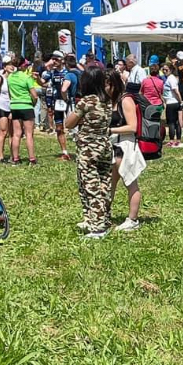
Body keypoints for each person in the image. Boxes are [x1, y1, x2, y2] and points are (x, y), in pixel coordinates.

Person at [65, 65, 114, 238]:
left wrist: (80, 119)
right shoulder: (107, 100)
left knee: (90, 186)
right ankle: (100, 219)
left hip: (89, 148)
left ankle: (98, 227)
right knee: (104, 184)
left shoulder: (86, 101)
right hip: (105, 145)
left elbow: (68, 123)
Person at [105, 69, 143, 232]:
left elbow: (133, 126)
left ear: (113, 84)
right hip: (114, 145)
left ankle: (133, 219)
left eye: (105, 85)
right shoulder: (111, 100)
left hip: (126, 145)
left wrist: (110, 130)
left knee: (130, 183)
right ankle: (103, 215)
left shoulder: (125, 100)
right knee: (109, 183)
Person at [7, 56, 41, 165]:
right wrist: (33, 103)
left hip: (15, 106)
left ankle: (16, 158)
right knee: (29, 134)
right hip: (26, 106)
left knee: (16, 134)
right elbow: (34, 95)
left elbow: (9, 93)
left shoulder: (10, 77)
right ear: (22, 66)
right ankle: (32, 159)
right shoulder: (26, 78)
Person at [162, 61, 182, 146]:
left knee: (172, 122)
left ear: (170, 70)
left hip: (173, 102)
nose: (164, 71)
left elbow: (175, 91)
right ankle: (176, 139)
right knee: (174, 122)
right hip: (170, 101)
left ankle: (173, 140)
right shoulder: (169, 78)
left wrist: (180, 101)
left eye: (166, 70)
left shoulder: (171, 78)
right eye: (163, 70)